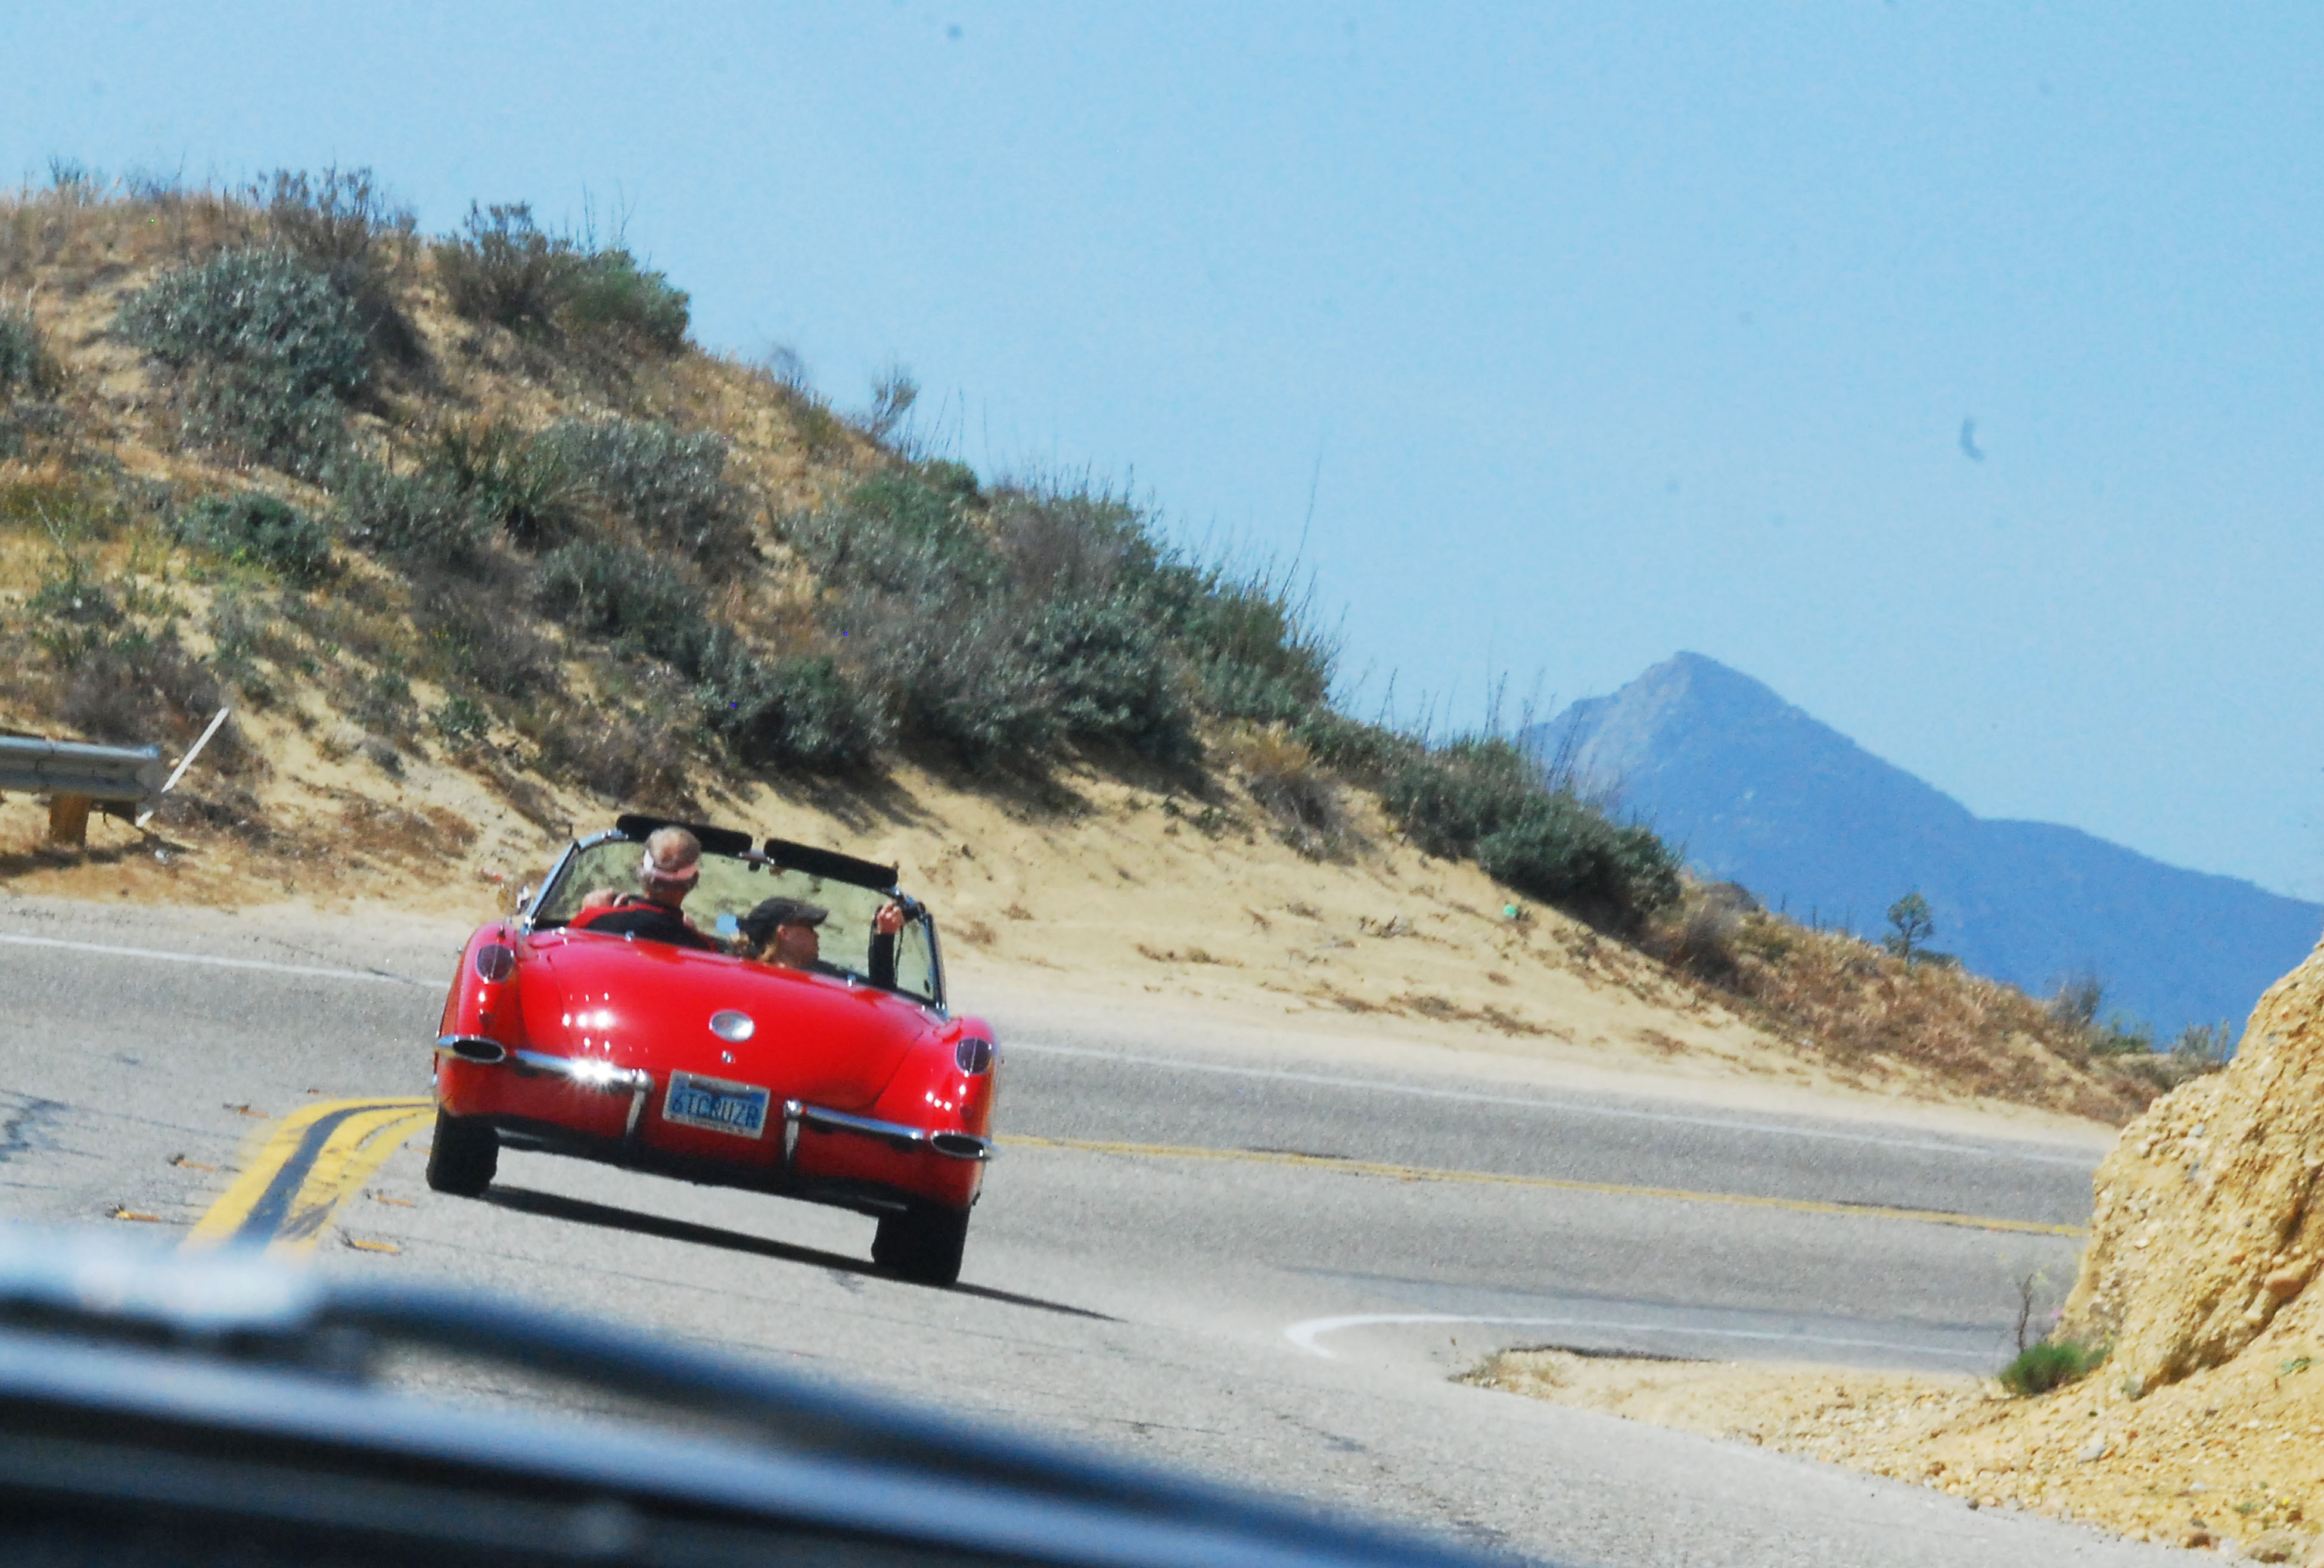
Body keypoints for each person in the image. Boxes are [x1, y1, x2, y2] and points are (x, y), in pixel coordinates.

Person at [568, 826, 721, 951]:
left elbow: (569, 952)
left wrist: (592, 913)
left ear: (641, 869)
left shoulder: (591, 921)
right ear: (694, 881)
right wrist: (692, 934)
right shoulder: (702, 949)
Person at [738, 894, 906, 988]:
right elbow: (880, 1000)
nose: (817, 936)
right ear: (785, 933)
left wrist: (884, 936)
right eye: (809, 928)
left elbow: (881, 997)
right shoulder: (820, 986)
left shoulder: (743, 978)